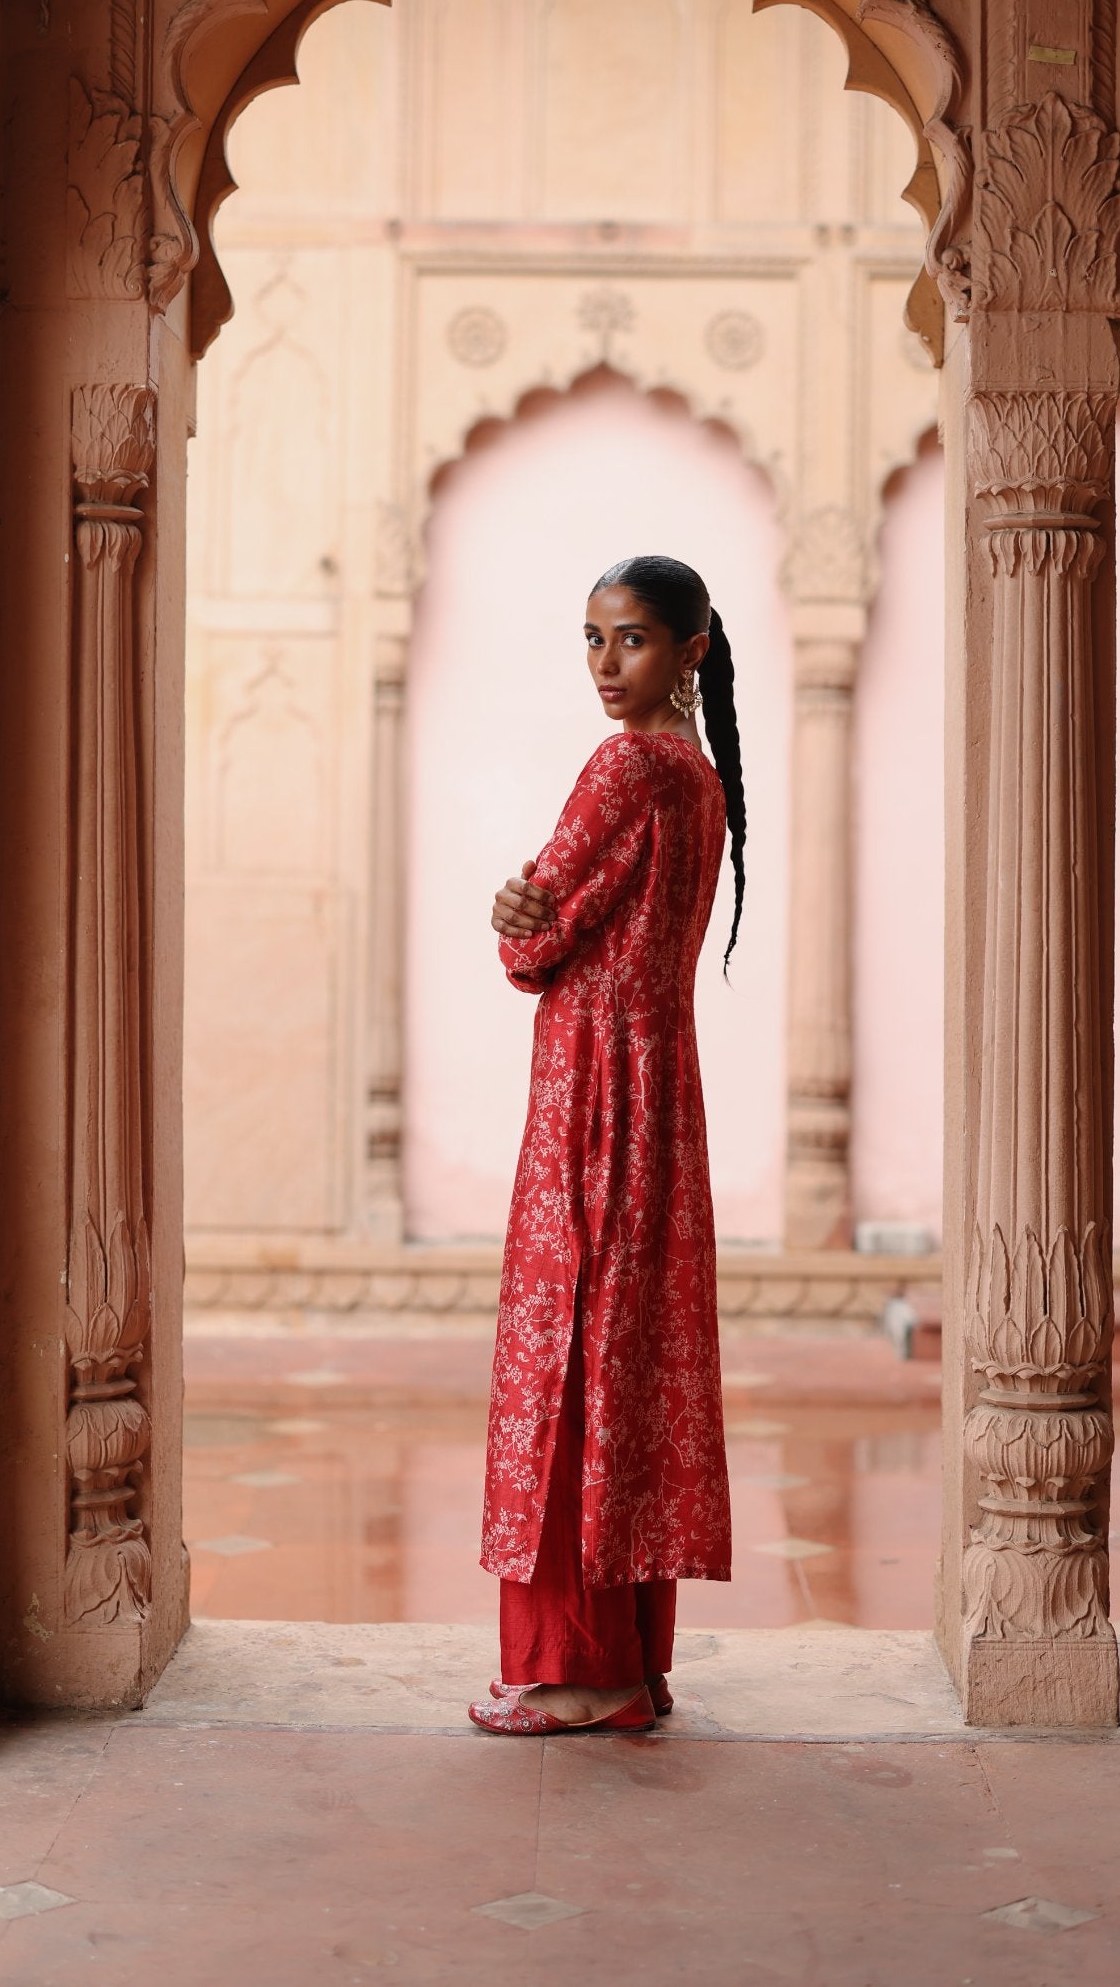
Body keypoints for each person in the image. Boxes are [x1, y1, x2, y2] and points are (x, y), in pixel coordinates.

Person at [469, 553, 746, 1736]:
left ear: (689, 650)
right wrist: (529, 907)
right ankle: (632, 1662)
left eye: (630, 639)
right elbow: (563, 906)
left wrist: (512, 916)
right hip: (660, 1091)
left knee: (574, 1359)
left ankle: (583, 1674)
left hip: (592, 1089)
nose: (604, 665)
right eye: (590, 639)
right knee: (626, 1362)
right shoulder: (699, 773)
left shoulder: (627, 764)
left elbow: (537, 937)